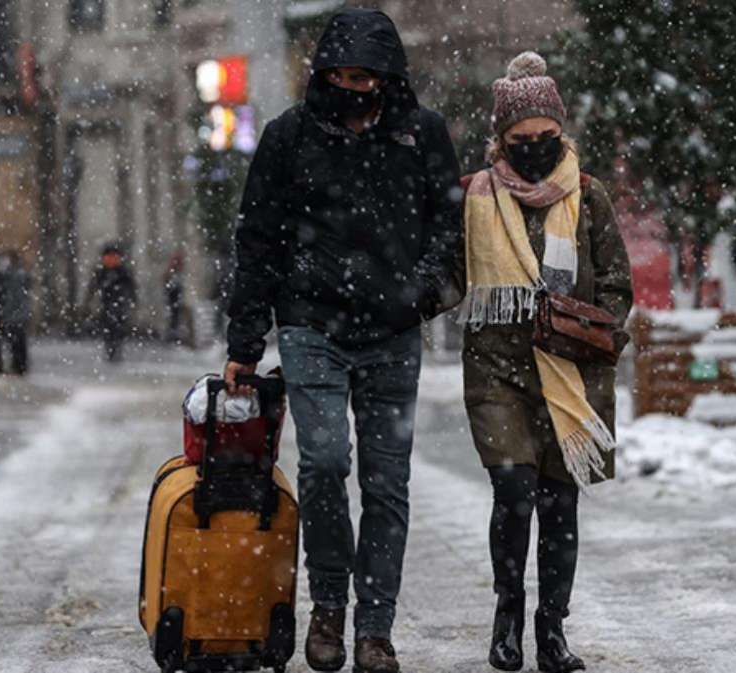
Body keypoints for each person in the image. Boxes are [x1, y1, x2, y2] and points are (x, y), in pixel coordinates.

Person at [222, 9, 462, 673]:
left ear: (388, 78)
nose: (354, 88)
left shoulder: (423, 136)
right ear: (322, 72)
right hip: (311, 327)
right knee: (324, 460)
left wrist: (420, 291)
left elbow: (450, 226)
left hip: (392, 331)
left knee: (387, 484)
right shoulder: (288, 138)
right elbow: (258, 238)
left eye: (366, 76)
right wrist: (245, 338)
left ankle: (374, 628)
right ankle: (328, 604)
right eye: (342, 74)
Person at [454, 52, 633, 673]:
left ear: (562, 133)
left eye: (546, 138)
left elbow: (616, 282)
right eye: (520, 140)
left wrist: (596, 332)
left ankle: (551, 629)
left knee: (560, 504)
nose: (534, 148)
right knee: (513, 491)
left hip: (571, 372)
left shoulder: (587, 196)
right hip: (497, 371)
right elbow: (451, 278)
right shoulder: (474, 199)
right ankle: (508, 614)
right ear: (500, 140)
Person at [89, 244, 136, 363]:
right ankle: (110, 350)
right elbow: (94, 286)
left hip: (119, 304)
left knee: (117, 329)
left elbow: (130, 287)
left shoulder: (122, 272)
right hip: (107, 304)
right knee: (108, 329)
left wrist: (131, 299)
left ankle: (115, 350)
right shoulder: (102, 272)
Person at [0, 251, 31, 375]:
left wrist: (6, 313)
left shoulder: (14, 275)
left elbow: (12, 297)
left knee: (16, 341)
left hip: (16, 315)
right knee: (19, 341)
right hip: (19, 314)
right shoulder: (20, 273)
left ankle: (18, 365)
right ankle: (20, 365)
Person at [163, 250, 186, 344]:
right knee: (173, 318)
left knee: (175, 318)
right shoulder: (172, 273)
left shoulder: (177, 273)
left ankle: (174, 335)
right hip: (173, 299)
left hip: (175, 299)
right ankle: (172, 335)